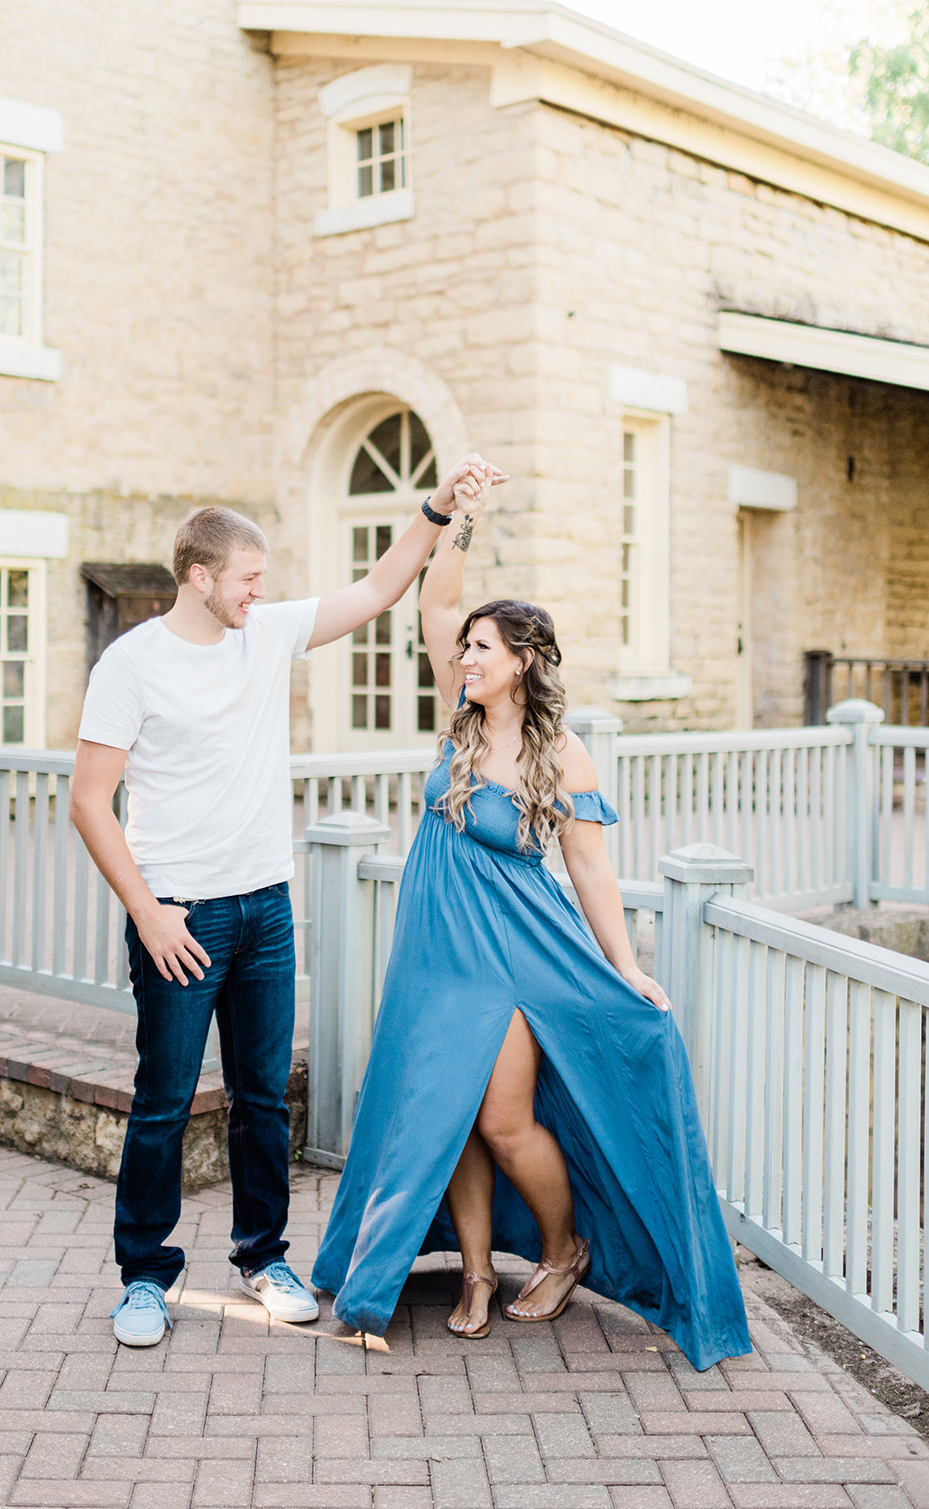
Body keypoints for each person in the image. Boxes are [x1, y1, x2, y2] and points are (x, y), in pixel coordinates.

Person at [311, 474, 751, 1368]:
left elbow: (590, 868)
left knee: (502, 1118)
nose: (465, 656)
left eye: (482, 648)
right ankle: (474, 1272)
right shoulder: (458, 722)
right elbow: (433, 595)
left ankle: (563, 1249)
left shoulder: (561, 752)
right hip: (434, 950)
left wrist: (622, 965)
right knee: (447, 1110)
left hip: (513, 950)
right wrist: (460, 514)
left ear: (523, 659)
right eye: (464, 646)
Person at [69, 456, 506, 1347]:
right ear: (200, 577)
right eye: (247, 579)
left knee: (263, 1099)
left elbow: (384, 586)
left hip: (265, 908)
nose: (258, 593)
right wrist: (149, 912)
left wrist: (438, 507)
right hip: (179, 915)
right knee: (162, 1100)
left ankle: (262, 1257)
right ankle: (145, 1278)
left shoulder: (264, 634)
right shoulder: (132, 664)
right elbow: (88, 800)